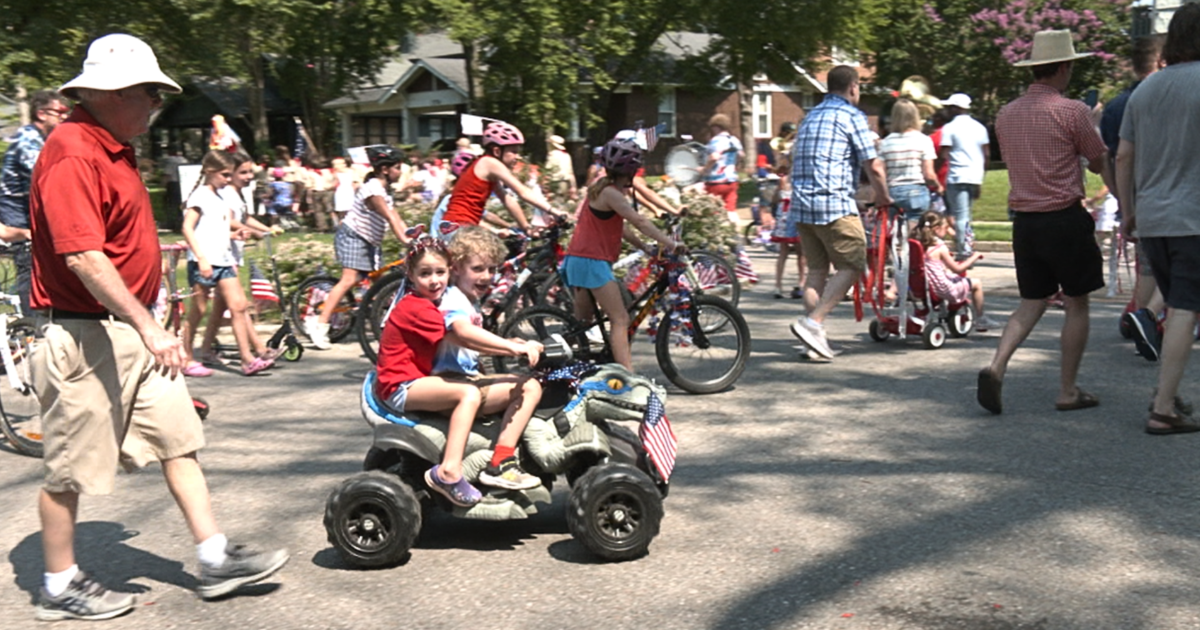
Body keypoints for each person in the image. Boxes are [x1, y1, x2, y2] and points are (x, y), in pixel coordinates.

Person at [27, 33, 288, 621]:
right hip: (89, 335)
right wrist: (147, 324)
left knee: (179, 441)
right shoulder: (72, 148)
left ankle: (214, 556)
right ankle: (58, 583)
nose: (155, 102)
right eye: (148, 92)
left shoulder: (112, 146)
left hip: (134, 331)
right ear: (108, 92)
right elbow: (82, 256)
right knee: (70, 469)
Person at [979, 30, 1113, 415]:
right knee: (1077, 302)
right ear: (1065, 67)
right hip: (1064, 217)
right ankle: (1067, 389)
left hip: (1026, 222)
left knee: (1031, 301)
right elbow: (1097, 159)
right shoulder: (1072, 111)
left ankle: (997, 364)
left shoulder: (1006, 114)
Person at [374, 233, 544, 506]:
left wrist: (511, 344)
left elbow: (463, 339)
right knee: (471, 393)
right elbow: (463, 334)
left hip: (420, 380)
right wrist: (514, 349)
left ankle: (499, 459)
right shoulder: (425, 306)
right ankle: (451, 471)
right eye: (425, 273)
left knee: (528, 385)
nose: (434, 280)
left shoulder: (439, 301)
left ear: (447, 271)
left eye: (438, 272)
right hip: (404, 385)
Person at [1116, 5, 1200, 434]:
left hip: (1153, 218)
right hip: (1193, 218)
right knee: (1186, 310)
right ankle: (1163, 408)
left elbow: (1124, 155)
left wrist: (1128, 210)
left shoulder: (1145, 91)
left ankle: (1165, 393)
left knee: (1178, 307)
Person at [786, 65, 892, 361]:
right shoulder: (851, 116)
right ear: (854, 87)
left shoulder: (810, 116)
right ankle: (813, 323)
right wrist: (883, 197)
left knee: (817, 272)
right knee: (853, 264)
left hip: (802, 206)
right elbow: (873, 166)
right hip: (832, 204)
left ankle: (814, 341)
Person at [560, 138, 680, 370]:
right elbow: (639, 221)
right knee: (620, 319)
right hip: (592, 262)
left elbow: (620, 227)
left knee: (580, 324)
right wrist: (671, 243)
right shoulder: (612, 194)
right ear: (632, 170)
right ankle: (628, 376)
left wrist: (645, 247)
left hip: (579, 259)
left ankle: (556, 360)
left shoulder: (600, 189)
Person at [1102, 34, 1168, 362]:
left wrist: (1123, 201)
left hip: (1139, 198)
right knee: (1183, 266)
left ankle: (1141, 318)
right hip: (1175, 192)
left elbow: (1116, 158)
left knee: (1149, 268)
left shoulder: (1115, 106)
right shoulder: (1169, 96)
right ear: (1161, 61)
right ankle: (1151, 319)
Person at [181, 150, 276, 376]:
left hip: (223, 260)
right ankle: (185, 357)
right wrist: (201, 258)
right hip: (204, 260)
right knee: (199, 310)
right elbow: (187, 228)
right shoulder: (200, 196)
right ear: (210, 172)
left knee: (239, 305)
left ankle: (247, 359)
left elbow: (214, 228)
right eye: (224, 174)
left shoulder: (220, 197)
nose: (227, 179)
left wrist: (234, 235)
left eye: (229, 174)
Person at [307, 145, 411, 349]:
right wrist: (406, 241)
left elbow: (397, 217)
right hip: (353, 236)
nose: (400, 172)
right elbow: (389, 217)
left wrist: (414, 235)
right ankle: (319, 325)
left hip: (370, 241)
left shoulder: (383, 190)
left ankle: (383, 321)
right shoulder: (372, 189)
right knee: (349, 279)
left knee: (379, 284)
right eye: (398, 168)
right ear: (384, 169)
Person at [0, 89, 70, 315]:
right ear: (41, 114)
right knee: (30, 269)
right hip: (17, 213)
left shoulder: (44, 140)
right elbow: (45, 180)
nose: (64, 116)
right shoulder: (28, 139)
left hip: (29, 209)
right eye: (59, 111)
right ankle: (32, 329)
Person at [442, 121, 554, 234]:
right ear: (497, 151)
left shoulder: (484, 165)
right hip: (460, 227)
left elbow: (507, 199)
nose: (518, 157)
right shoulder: (490, 163)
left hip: (454, 227)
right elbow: (523, 192)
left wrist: (526, 227)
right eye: (514, 152)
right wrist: (554, 211)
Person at [915, 211, 999, 331]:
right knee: (976, 283)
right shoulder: (940, 248)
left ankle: (942, 310)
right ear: (937, 229)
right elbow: (957, 268)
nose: (947, 231)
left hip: (922, 286)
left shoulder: (917, 245)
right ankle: (981, 319)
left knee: (950, 275)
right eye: (946, 228)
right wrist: (974, 257)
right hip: (942, 288)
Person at [938, 92, 990, 257]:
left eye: (949, 107)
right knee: (967, 214)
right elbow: (986, 154)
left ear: (955, 108)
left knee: (960, 215)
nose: (947, 110)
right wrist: (981, 176)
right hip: (975, 175)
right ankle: (967, 244)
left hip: (957, 175)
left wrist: (934, 171)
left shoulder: (949, 128)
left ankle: (964, 250)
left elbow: (944, 153)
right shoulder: (979, 127)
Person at [879, 99, 942, 222]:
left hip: (893, 191)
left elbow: (880, 172)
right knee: (915, 229)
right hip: (916, 191)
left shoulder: (885, 142)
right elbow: (929, 175)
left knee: (892, 227)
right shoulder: (924, 140)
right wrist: (938, 186)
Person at [703, 114, 744, 222]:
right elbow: (741, 155)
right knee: (730, 209)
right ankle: (734, 230)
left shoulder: (715, 141)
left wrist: (705, 169)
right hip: (732, 180)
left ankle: (716, 231)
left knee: (714, 209)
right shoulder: (735, 140)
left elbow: (714, 157)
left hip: (716, 181)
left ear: (715, 127)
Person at [546, 134, 578, 201]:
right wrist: (573, 187)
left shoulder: (552, 155)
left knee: (555, 204)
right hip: (565, 183)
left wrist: (546, 186)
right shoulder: (566, 155)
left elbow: (548, 172)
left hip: (555, 183)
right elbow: (571, 173)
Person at [331, 155, 359, 227]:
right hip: (349, 190)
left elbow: (334, 184)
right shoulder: (352, 171)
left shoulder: (336, 173)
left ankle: (342, 225)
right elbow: (354, 183)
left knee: (341, 212)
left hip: (340, 191)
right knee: (351, 209)